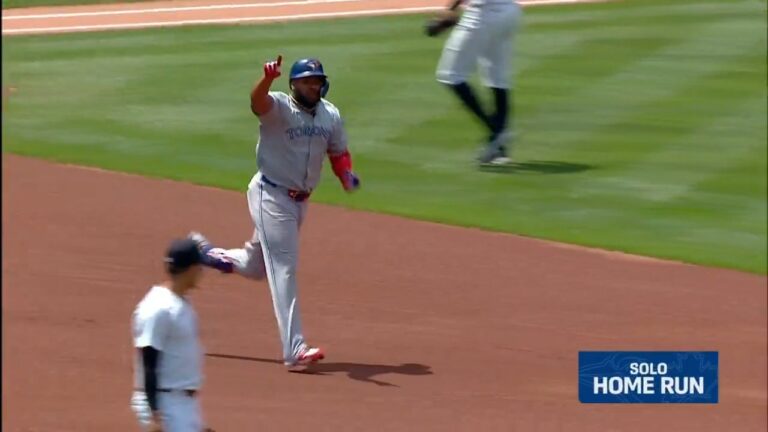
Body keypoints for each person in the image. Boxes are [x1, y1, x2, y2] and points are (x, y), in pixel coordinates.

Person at [189, 55, 360, 371]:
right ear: (293, 83)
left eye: (317, 80)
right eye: (307, 80)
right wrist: (267, 79)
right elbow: (257, 102)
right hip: (272, 194)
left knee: (256, 266)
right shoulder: (279, 108)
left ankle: (205, 254)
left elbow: (339, 152)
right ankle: (294, 349)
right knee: (284, 267)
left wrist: (346, 175)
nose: (313, 85)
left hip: (300, 201)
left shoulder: (330, 115)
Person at [130, 238, 214, 432]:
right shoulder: (158, 307)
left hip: (181, 402)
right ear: (191, 269)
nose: (202, 272)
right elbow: (148, 362)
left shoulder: (180, 303)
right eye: (200, 266)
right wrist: (154, 415)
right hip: (164, 401)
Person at [430, 0, 522, 165]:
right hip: (510, 11)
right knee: (497, 76)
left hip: (483, 14)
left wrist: (449, 10)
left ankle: (496, 130)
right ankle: (498, 149)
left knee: (450, 74)